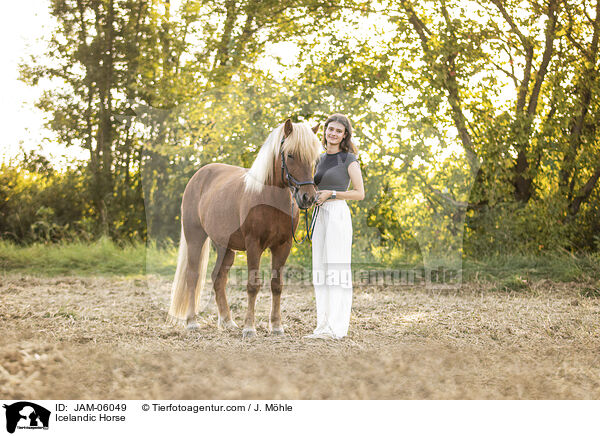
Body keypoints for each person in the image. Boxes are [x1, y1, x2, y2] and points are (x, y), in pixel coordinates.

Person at [305, 113, 365, 339]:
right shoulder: (318, 159)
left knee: (336, 271)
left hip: (338, 214)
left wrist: (332, 194)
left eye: (339, 131)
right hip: (320, 215)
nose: (333, 133)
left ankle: (336, 328)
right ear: (325, 131)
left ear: (344, 135)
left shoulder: (349, 159)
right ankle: (322, 326)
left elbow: (359, 193)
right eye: (331, 129)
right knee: (320, 270)